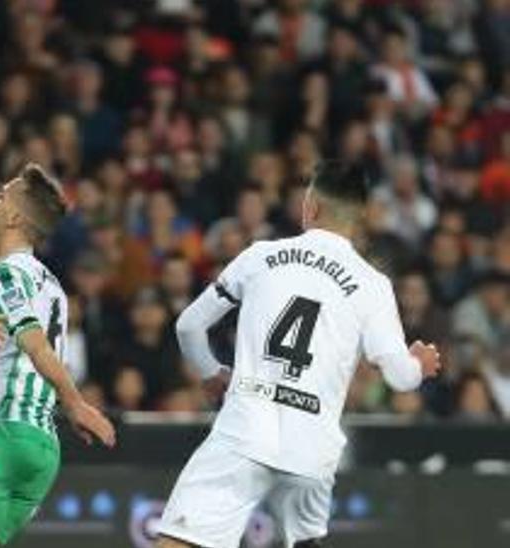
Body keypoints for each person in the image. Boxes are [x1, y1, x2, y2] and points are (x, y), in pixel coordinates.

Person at [156, 161, 443, 548]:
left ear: (310, 208)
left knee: (181, 540)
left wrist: (210, 373)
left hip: (244, 435)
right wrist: (420, 365)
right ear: (359, 219)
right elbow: (399, 378)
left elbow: (188, 326)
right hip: (312, 452)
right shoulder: (373, 285)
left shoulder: (259, 256)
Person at [0, 164, 116, 548]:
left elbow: (34, 343)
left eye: (0, 196)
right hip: (41, 447)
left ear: (12, 216)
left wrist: (75, 403)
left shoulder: (6, 275)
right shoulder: (53, 285)